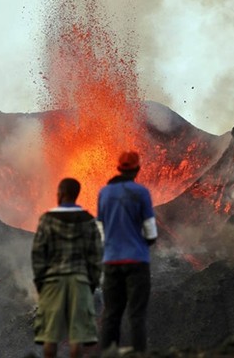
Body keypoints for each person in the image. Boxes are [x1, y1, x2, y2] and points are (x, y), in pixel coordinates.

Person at [32, 178, 103, 358]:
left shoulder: (47, 219)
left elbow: (38, 255)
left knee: (50, 336)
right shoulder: (88, 220)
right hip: (79, 281)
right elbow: (96, 256)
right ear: (76, 194)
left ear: (61, 193)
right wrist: (91, 283)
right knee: (76, 336)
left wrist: (41, 283)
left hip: (53, 281)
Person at [97, 151, 158, 353]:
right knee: (137, 314)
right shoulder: (140, 193)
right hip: (136, 260)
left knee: (111, 314)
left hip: (111, 261)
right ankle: (140, 354)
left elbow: (101, 228)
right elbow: (150, 229)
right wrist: (146, 243)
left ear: (119, 168)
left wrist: (110, 248)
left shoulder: (104, 193)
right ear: (137, 169)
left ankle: (107, 354)